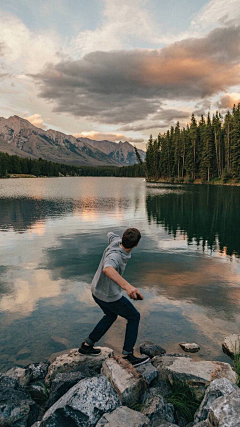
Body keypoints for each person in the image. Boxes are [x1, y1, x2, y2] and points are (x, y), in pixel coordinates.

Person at [78, 228, 150, 367]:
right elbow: (107, 269)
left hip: (96, 290)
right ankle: (128, 355)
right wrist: (127, 286)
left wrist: (112, 234)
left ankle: (87, 345)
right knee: (134, 317)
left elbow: (109, 233)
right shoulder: (116, 256)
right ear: (136, 244)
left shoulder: (115, 240)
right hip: (108, 296)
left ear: (123, 237)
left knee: (110, 316)